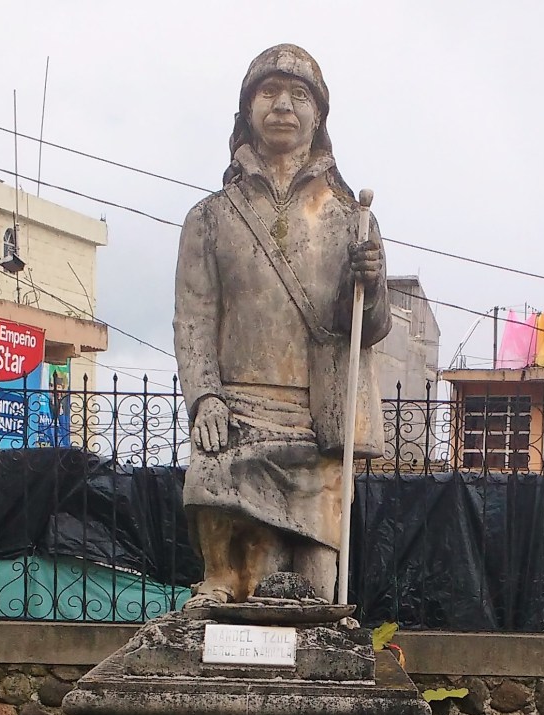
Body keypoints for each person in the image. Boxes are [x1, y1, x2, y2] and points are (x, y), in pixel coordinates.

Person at [174, 44, 391, 604]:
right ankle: (218, 581)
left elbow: (369, 325)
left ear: (318, 116)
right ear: (247, 110)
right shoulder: (210, 217)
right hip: (236, 408)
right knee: (237, 579)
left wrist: (369, 282)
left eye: (298, 95)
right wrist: (204, 399)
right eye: (268, 93)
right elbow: (194, 318)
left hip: (315, 414)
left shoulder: (352, 219)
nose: (283, 106)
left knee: (314, 591)